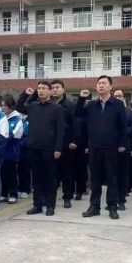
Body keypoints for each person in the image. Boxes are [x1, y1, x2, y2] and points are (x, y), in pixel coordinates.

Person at [74, 75, 128, 220]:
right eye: (99, 83)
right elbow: (77, 113)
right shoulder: (91, 104)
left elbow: (123, 126)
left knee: (112, 178)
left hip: (111, 147)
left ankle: (112, 206)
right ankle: (94, 206)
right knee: (95, 179)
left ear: (110, 87)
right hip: (94, 146)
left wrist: (122, 143)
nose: (101, 86)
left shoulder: (117, 104)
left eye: (104, 83)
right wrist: (81, 98)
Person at [16, 81, 64, 216]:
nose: (41, 91)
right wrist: (26, 94)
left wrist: (58, 148)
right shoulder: (33, 106)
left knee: (50, 178)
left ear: (50, 91)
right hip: (34, 147)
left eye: (44, 88)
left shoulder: (57, 108)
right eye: (39, 88)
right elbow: (19, 107)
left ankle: (50, 206)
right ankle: (37, 205)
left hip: (49, 148)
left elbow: (60, 130)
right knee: (36, 178)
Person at [50, 80, 79, 208]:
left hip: (66, 142)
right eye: (52, 88)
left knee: (67, 171)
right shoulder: (48, 104)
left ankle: (67, 196)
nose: (54, 90)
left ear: (63, 90)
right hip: (50, 142)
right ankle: (50, 198)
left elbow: (75, 123)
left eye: (57, 87)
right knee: (52, 172)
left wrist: (74, 141)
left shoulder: (69, 105)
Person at [113, 90, 132, 211]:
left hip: (124, 146)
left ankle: (121, 200)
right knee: (111, 175)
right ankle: (112, 200)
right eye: (115, 96)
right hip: (110, 146)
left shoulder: (129, 112)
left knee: (122, 175)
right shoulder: (110, 110)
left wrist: (120, 132)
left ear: (124, 97)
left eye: (119, 96)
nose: (117, 98)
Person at [0, 96, 23, 204]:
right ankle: (4, 194)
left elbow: (11, 134)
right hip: (2, 152)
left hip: (12, 151)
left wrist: (1, 139)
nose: (3, 108)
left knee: (12, 174)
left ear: (11, 106)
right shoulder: (1, 117)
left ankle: (13, 194)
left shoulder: (17, 119)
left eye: (5, 105)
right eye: (2, 105)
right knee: (3, 174)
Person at [17, 113, 31, 199]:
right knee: (19, 170)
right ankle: (20, 188)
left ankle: (26, 189)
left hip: (26, 149)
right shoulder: (18, 118)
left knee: (26, 170)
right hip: (18, 150)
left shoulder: (30, 119)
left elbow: (30, 135)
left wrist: (21, 144)